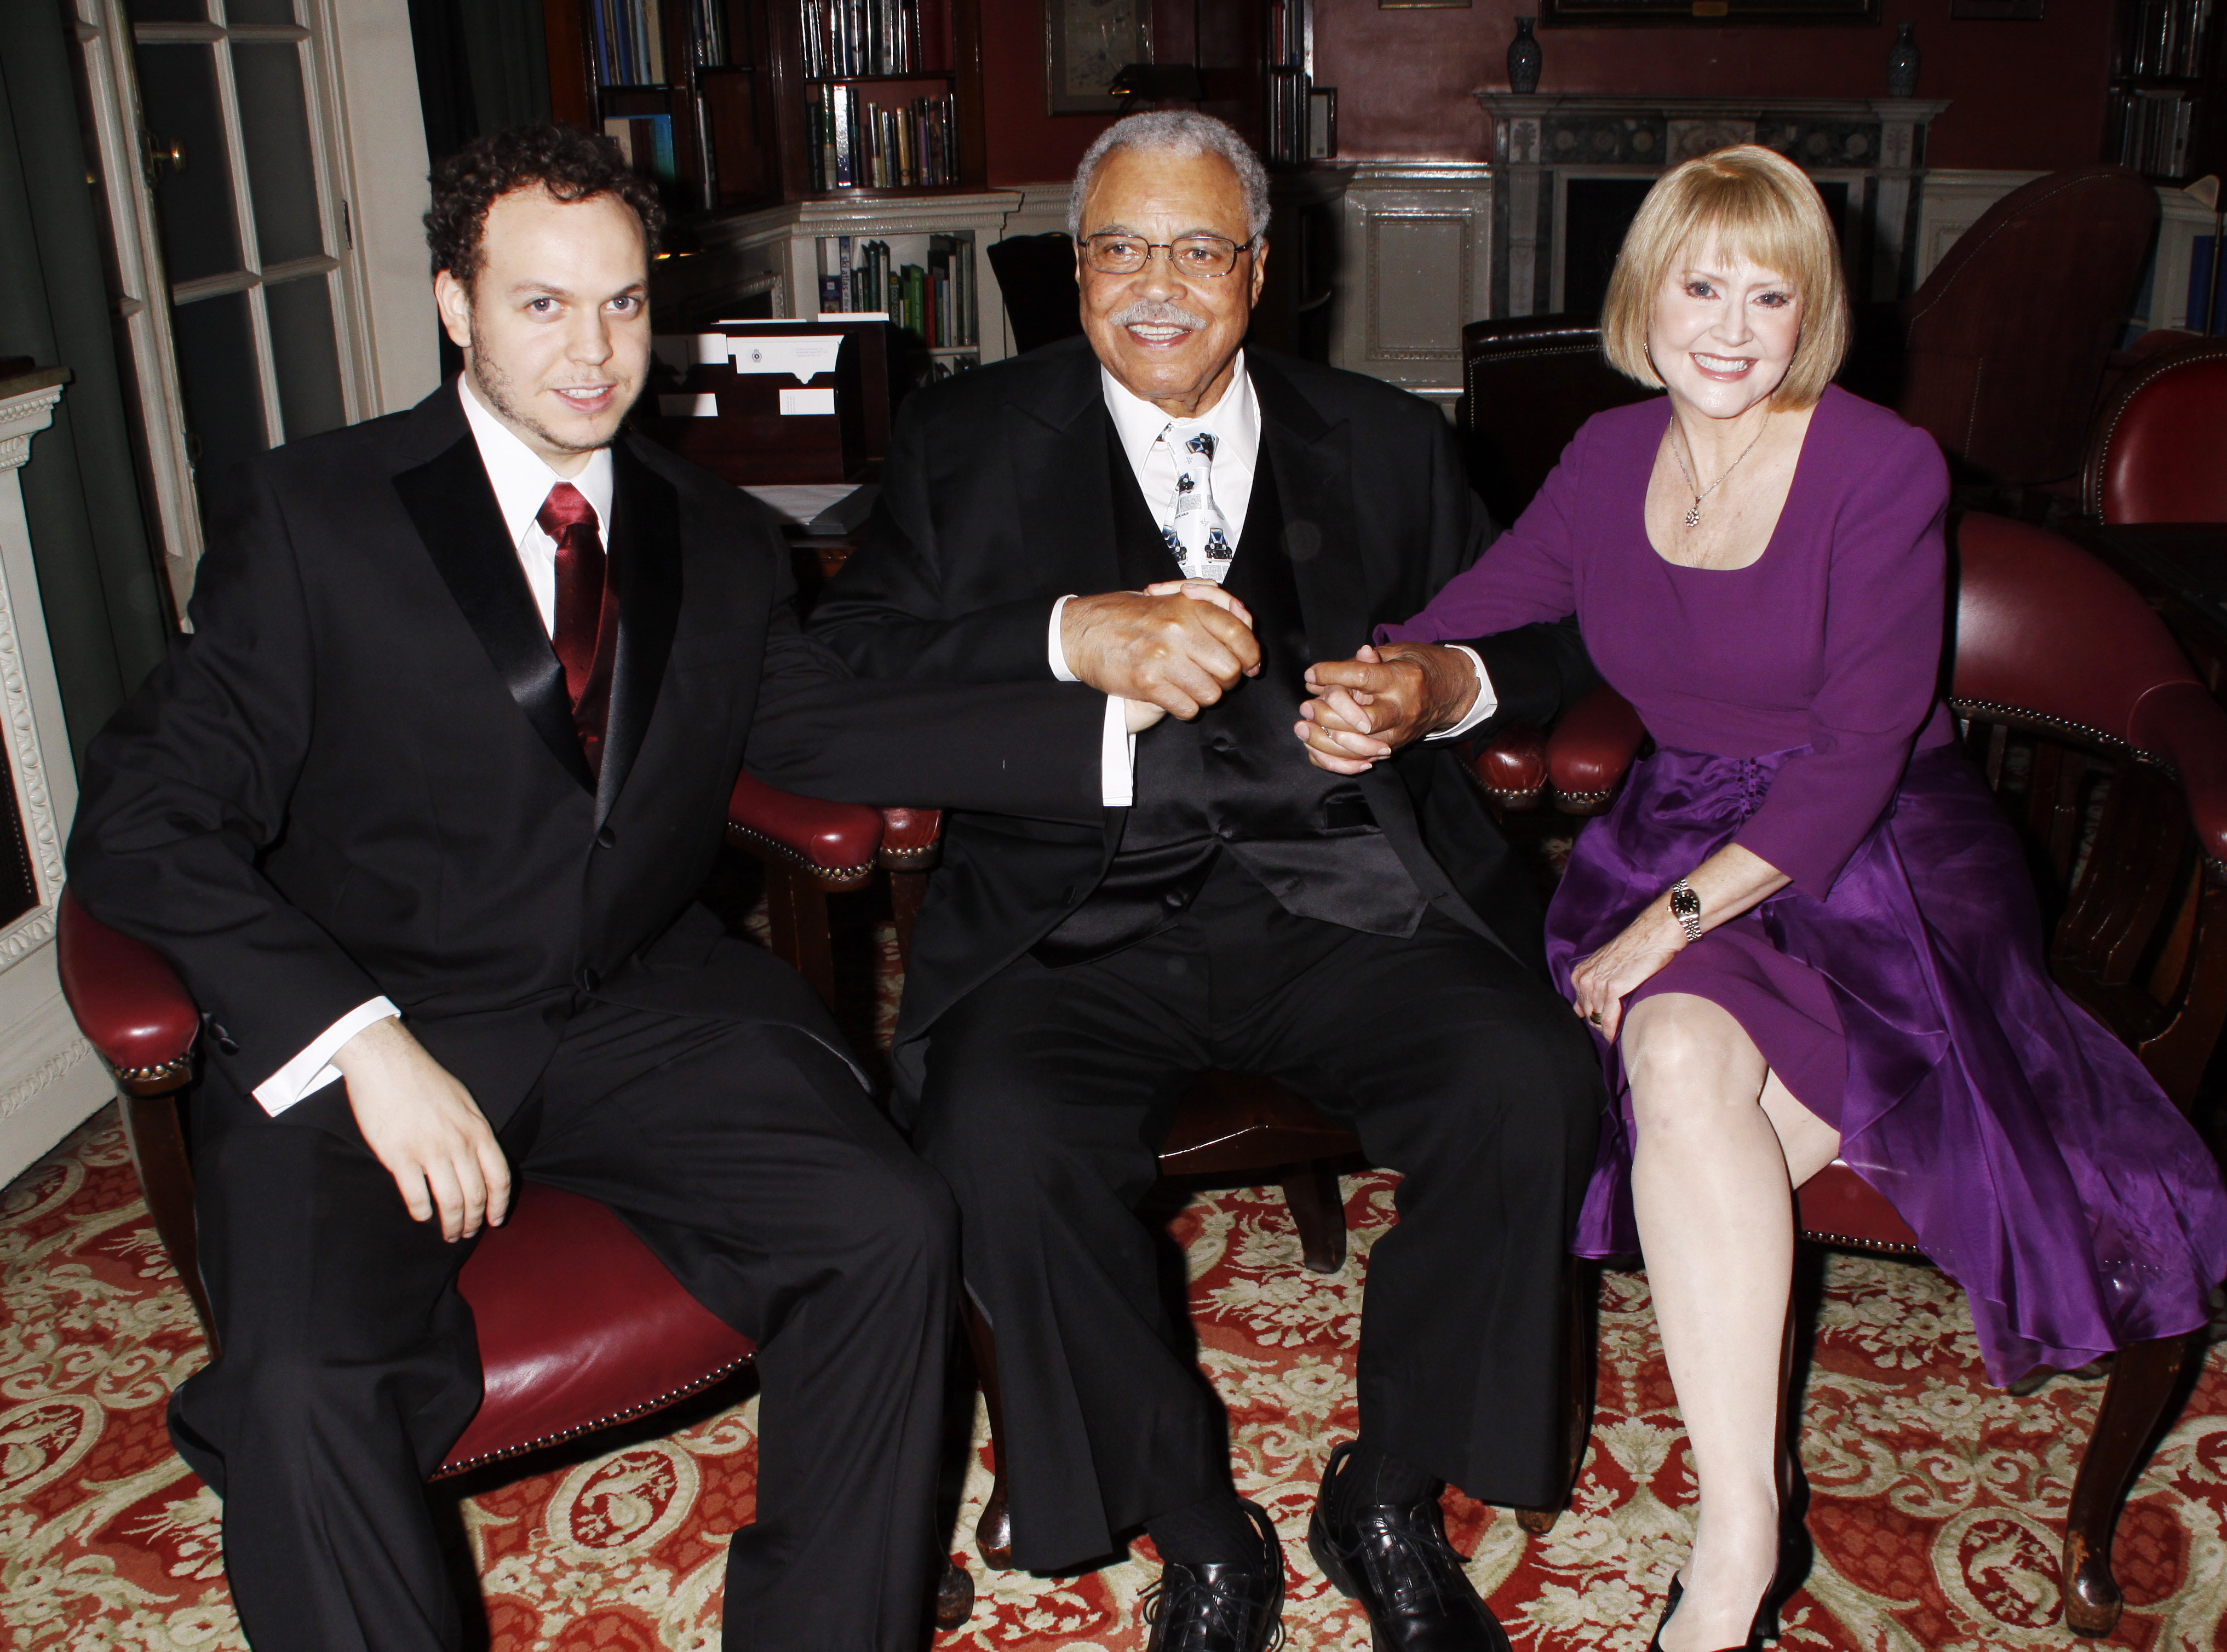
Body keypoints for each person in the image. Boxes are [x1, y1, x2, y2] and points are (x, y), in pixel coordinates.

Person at [62, 124, 1135, 1652]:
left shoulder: (712, 531)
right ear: (454, 305)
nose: (592, 352)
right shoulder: (318, 518)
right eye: (542, 305)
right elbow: (145, 813)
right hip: (381, 1011)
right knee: (304, 1389)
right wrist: (357, 1038)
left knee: (888, 1220)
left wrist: (1090, 688)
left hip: (635, 1001)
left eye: (623, 303)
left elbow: (819, 724)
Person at [1298, 144, 2227, 1652]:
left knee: (1668, 1075)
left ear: (1814, 316)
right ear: (1642, 297)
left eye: (1769, 295)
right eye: (1700, 286)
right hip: (1682, 819)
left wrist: (1658, 926)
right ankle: (1757, 1511)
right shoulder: (1607, 456)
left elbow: (1856, 756)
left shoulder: (1878, 465)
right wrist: (1371, 673)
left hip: (1883, 847)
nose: (1729, 327)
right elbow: (1487, 596)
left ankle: (1725, 1566)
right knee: (1676, 1074)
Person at [808, 110, 1605, 1652]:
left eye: (1194, 248)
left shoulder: (1382, 435)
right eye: (1118, 247)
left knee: (1524, 1079)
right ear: (1074, 267)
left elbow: (1553, 635)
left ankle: (1386, 1489)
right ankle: (1194, 1522)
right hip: (1073, 922)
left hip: (1348, 900)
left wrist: (1440, 687)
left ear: (1260, 267)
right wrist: (1060, 637)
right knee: (996, 1134)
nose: (1154, 285)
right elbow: (842, 672)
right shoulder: (966, 440)